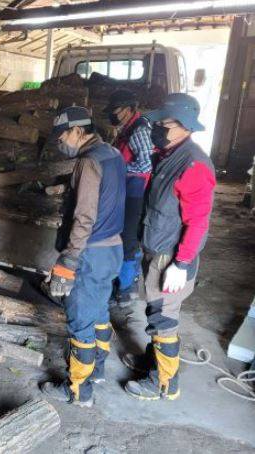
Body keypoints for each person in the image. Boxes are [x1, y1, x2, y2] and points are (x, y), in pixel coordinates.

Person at [124, 93, 215, 401]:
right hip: (156, 249)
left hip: (170, 258)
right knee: (155, 310)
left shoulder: (194, 165)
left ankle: (163, 383)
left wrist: (182, 263)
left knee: (163, 317)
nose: (158, 128)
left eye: (165, 123)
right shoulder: (168, 155)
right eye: (158, 123)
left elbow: (198, 222)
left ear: (185, 126)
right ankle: (153, 361)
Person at [41, 106, 126, 407]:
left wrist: (69, 259)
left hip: (90, 252)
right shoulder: (112, 154)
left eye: (62, 136)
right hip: (113, 248)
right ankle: (97, 370)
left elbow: (85, 217)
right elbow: (107, 195)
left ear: (77, 131)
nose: (60, 142)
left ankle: (79, 390)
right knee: (99, 311)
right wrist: (68, 188)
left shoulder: (88, 162)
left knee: (80, 322)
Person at [104, 89, 154, 306]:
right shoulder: (127, 129)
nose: (113, 115)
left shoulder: (140, 130)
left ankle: (127, 288)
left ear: (129, 109)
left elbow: (146, 164)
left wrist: (118, 169)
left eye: (116, 110)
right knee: (118, 235)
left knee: (128, 238)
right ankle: (118, 282)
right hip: (124, 190)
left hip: (135, 192)